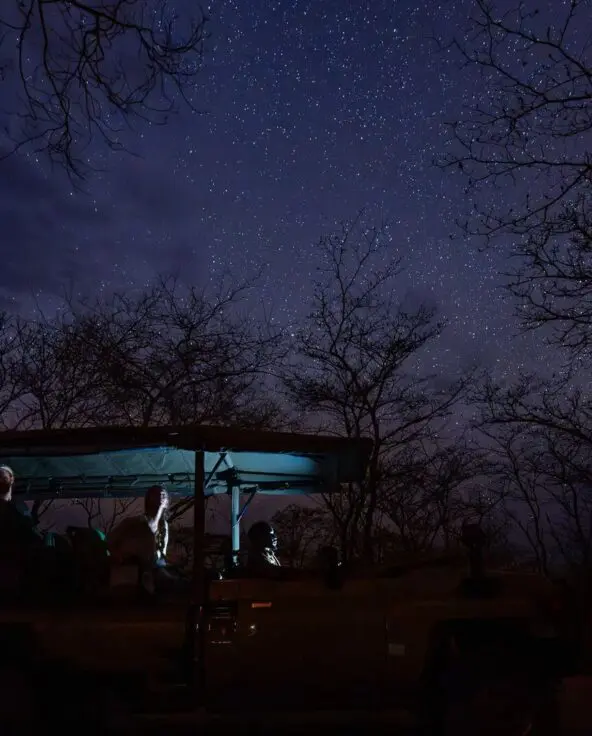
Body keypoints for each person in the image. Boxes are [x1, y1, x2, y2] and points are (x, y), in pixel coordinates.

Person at [108, 485, 179, 595]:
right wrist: (116, 554)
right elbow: (111, 539)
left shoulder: (164, 525)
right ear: (149, 498)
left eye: (164, 495)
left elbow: (161, 553)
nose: (161, 496)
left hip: (155, 568)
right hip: (134, 568)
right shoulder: (134, 522)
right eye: (157, 494)